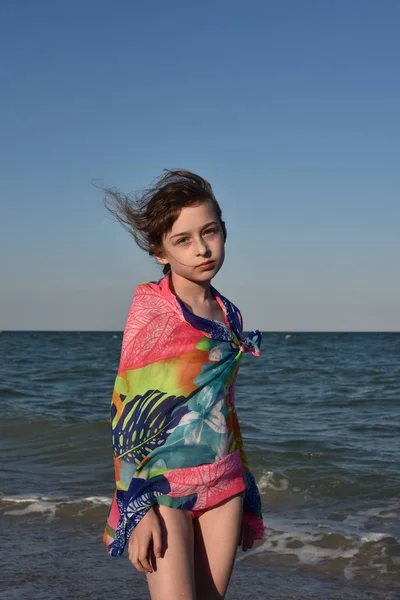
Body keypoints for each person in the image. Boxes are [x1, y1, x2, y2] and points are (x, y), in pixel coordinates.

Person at [102, 170, 265, 600]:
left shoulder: (229, 314)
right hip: (163, 485)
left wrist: (246, 486)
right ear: (159, 251)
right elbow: (125, 409)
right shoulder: (153, 309)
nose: (202, 249)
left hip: (223, 480)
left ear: (223, 231)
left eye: (209, 232)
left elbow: (222, 406)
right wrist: (136, 507)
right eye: (184, 240)